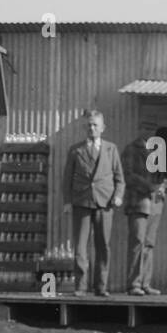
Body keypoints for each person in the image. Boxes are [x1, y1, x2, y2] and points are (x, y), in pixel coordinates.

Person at [62, 109, 124, 297]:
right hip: (82, 202)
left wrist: (118, 196)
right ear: (84, 127)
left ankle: (101, 287)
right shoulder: (75, 150)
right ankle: (80, 287)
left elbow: (119, 178)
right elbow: (67, 179)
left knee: (103, 246)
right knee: (81, 247)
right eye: (89, 125)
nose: (92, 128)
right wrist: (67, 201)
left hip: (104, 204)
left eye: (95, 125)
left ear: (102, 128)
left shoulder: (111, 149)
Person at [122, 116, 166, 296]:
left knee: (149, 244)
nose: (150, 132)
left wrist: (162, 187)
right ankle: (134, 284)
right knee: (137, 243)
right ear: (140, 129)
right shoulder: (131, 149)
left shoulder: (158, 150)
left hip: (155, 203)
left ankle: (146, 284)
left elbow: (161, 177)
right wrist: (150, 187)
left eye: (153, 128)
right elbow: (128, 175)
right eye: (146, 128)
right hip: (138, 202)